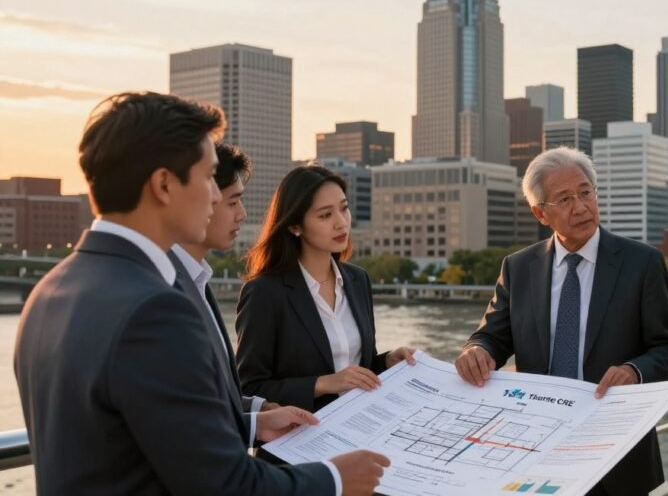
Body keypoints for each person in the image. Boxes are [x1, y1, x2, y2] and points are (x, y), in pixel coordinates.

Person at [14, 92, 388, 496]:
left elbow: (131, 431)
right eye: (209, 177)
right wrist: (335, 479)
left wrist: (248, 422)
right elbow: (226, 487)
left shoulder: (49, 291)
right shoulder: (154, 309)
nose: (217, 196)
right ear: (163, 185)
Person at [454, 146, 668, 496]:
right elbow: (493, 337)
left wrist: (635, 371)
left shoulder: (643, 264)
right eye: (564, 199)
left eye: (585, 192)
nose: (580, 206)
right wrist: (476, 349)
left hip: (617, 453)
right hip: (537, 451)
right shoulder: (518, 268)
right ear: (539, 213)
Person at [236, 164, 415, 416]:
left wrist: (386, 362)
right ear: (295, 226)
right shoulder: (265, 292)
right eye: (325, 215)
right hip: (298, 443)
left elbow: (358, 366)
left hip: (360, 429)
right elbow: (247, 389)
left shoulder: (357, 280)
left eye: (344, 208)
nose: (341, 223)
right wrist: (322, 384)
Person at [169, 142, 274, 448]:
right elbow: (180, 420)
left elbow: (208, 394)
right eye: (233, 202)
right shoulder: (164, 291)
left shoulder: (195, 277)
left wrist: (258, 410)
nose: (242, 215)